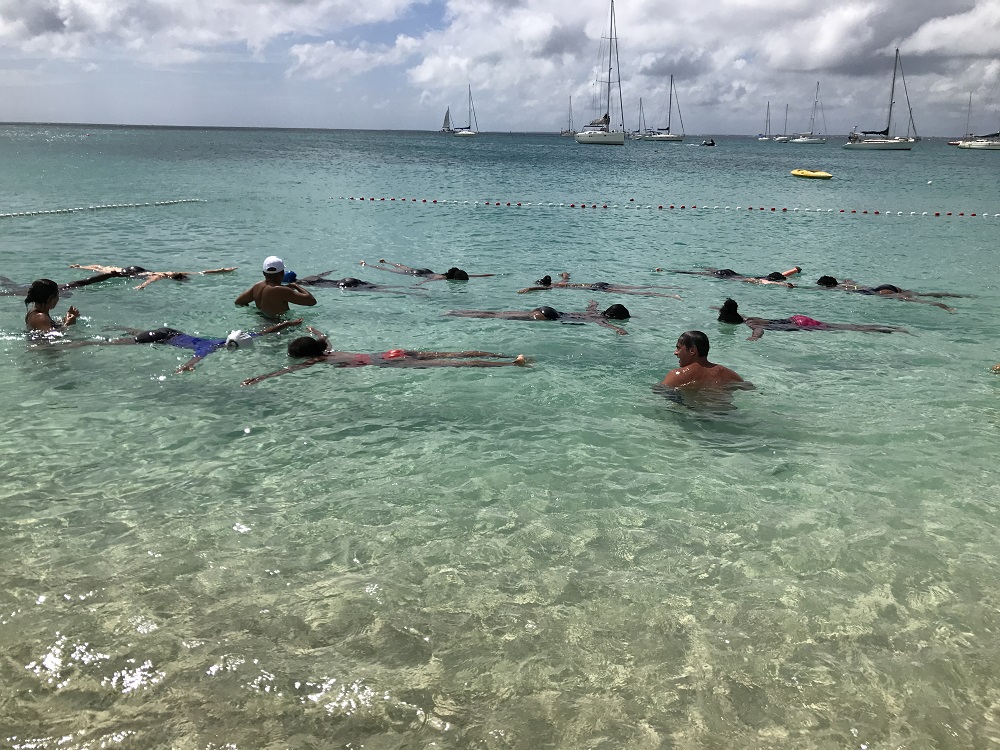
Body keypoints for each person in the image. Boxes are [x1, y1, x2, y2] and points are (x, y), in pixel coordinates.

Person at [241, 326, 528, 385]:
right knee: (453, 353)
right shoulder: (327, 349)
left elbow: (290, 371)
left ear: (307, 356)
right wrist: (316, 330)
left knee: (450, 362)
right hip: (391, 351)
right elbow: (325, 337)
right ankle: (502, 355)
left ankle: (511, 364)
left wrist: (263, 376)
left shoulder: (321, 359)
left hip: (387, 360)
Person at [61, 319, 303, 372]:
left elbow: (263, 331)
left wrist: (288, 324)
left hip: (169, 332)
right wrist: (187, 366)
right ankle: (81, 342)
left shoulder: (220, 341)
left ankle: (117, 326)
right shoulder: (213, 347)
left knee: (136, 334)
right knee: (116, 344)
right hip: (161, 337)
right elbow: (198, 356)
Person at [716, 298, 909, 341]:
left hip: (797, 325)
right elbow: (735, 311)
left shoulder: (751, 323)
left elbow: (759, 330)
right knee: (846, 326)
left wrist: (755, 338)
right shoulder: (747, 317)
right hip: (796, 318)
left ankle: (889, 330)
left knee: (848, 329)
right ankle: (890, 327)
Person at [445, 301, 631, 335]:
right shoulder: (599, 320)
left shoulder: (595, 313)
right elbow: (605, 325)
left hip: (548, 310)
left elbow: (591, 308)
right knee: (496, 317)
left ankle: (456, 312)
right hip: (549, 317)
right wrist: (618, 329)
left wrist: (593, 303)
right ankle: (456, 313)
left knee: (498, 314)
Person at [815, 275, 961, 313]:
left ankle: (943, 306)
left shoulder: (837, 288)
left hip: (879, 292)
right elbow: (848, 279)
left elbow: (816, 289)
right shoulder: (846, 283)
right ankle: (958, 296)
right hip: (885, 286)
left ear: (828, 286)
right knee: (921, 294)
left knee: (912, 300)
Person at [659, 330, 746, 389]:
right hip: (728, 414)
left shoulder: (677, 375)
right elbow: (748, 388)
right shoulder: (728, 374)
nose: (675, 352)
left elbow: (659, 393)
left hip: (696, 415)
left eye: (678, 348)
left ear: (692, 350)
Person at [235, 256, 317, 316]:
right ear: (282, 273)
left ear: (263, 273)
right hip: (279, 327)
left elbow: (239, 302)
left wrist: (256, 313)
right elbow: (311, 301)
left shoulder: (257, 286)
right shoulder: (281, 290)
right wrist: (295, 286)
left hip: (262, 323)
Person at [69, 264, 237, 290]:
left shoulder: (170, 273)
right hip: (136, 273)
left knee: (105, 268)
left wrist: (222, 270)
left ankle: (81, 266)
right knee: (107, 271)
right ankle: (82, 266)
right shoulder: (163, 275)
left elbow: (202, 272)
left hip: (137, 269)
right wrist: (143, 286)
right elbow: (152, 279)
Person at [517, 271, 682, 298]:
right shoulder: (560, 283)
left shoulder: (553, 287)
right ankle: (668, 290)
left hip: (594, 288)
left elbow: (541, 289)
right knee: (633, 289)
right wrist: (564, 274)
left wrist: (530, 288)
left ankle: (667, 294)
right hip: (595, 284)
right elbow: (567, 277)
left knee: (632, 293)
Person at [359, 259, 495, 284]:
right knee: (391, 271)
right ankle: (369, 264)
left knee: (403, 267)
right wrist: (419, 285)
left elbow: (475, 275)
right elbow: (429, 280)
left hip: (426, 271)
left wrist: (489, 274)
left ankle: (387, 261)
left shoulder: (446, 276)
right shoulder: (442, 278)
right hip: (420, 274)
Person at [295, 271, 423, 294]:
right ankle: (413, 289)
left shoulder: (303, 283)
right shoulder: (310, 277)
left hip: (345, 285)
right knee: (377, 286)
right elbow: (322, 274)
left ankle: (413, 292)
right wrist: (330, 271)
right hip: (347, 280)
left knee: (380, 289)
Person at [663, 267, 800, 288]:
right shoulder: (764, 280)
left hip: (731, 273)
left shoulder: (766, 276)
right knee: (699, 274)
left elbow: (782, 275)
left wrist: (796, 269)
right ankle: (668, 270)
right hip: (729, 277)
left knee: (704, 273)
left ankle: (669, 270)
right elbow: (766, 282)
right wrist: (783, 285)